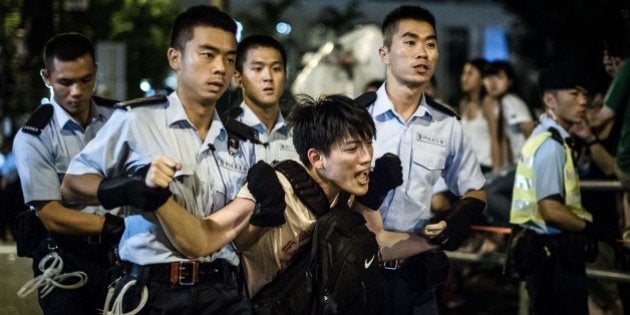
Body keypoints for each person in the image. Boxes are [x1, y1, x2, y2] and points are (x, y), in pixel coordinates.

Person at [151, 94, 441, 302]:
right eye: (353, 148)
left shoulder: (347, 196)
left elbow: (376, 242)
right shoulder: (275, 188)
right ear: (316, 158)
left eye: (368, 144)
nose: (367, 158)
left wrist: (434, 241)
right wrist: (155, 197)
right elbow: (204, 238)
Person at [61, 6, 253, 313]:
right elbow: (72, 184)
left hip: (224, 292)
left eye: (229, 59)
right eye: (208, 54)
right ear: (175, 58)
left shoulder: (242, 140)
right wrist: (127, 188)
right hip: (155, 293)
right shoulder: (137, 120)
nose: (220, 68)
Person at [361, 5, 487, 314]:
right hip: (359, 274)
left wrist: (459, 216)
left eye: (430, 44)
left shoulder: (447, 124)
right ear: (384, 53)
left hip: (417, 277)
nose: (423, 53)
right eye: (410, 42)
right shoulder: (354, 117)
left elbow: (475, 188)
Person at [12, 33, 121, 314]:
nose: (76, 91)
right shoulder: (34, 137)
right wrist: (114, 226)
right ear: (46, 77)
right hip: (65, 258)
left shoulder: (119, 119)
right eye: (65, 82)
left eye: (85, 80)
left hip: (121, 256)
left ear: (95, 71)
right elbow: (51, 215)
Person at [510, 62, 603, 315]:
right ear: (550, 100)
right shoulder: (550, 145)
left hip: (542, 253)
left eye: (584, 94)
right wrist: (591, 228)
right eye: (574, 94)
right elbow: (549, 209)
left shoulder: (547, 138)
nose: (583, 101)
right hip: (553, 256)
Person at [228, 34, 297, 163]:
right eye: (258, 69)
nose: (268, 77)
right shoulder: (223, 131)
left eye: (276, 69)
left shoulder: (300, 134)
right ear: (238, 78)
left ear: (285, 77)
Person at [482, 60, 535, 225]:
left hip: (527, 166)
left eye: (499, 77)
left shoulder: (510, 101)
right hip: (518, 166)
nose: (492, 82)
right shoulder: (503, 103)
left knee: (487, 190)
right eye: (489, 77)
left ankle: (521, 226)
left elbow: (530, 131)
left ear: (510, 81)